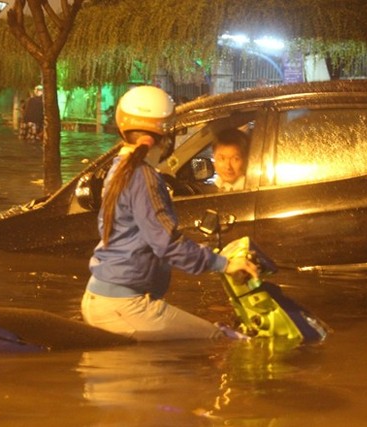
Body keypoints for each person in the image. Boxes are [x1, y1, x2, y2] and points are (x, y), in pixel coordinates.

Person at [80, 85, 258, 341]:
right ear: (166, 136)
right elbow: (167, 243)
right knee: (223, 342)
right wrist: (225, 265)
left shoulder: (119, 168)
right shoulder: (144, 177)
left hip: (102, 298)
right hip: (125, 306)